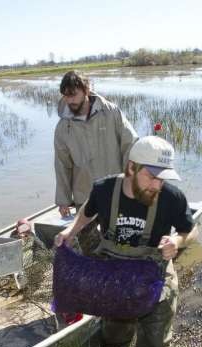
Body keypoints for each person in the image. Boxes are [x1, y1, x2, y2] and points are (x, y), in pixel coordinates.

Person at [54, 135, 198, 347]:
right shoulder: (105, 189)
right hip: (115, 271)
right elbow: (87, 211)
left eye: (162, 178)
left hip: (153, 273)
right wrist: (70, 231)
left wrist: (177, 242)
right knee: (114, 328)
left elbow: (190, 229)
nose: (157, 184)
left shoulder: (171, 197)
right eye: (151, 176)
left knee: (155, 339)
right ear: (131, 167)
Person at [54, 71, 137, 254]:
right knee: (89, 248)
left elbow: (130, 145)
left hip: (115, 194)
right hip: (85, 197)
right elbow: (62, 165)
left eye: (73, 94)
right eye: (66, 95)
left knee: (121, 245)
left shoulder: (111, 112)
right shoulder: (62, 128)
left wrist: (131, 183)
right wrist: (63, 200)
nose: (69, 100)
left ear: (86, 90)